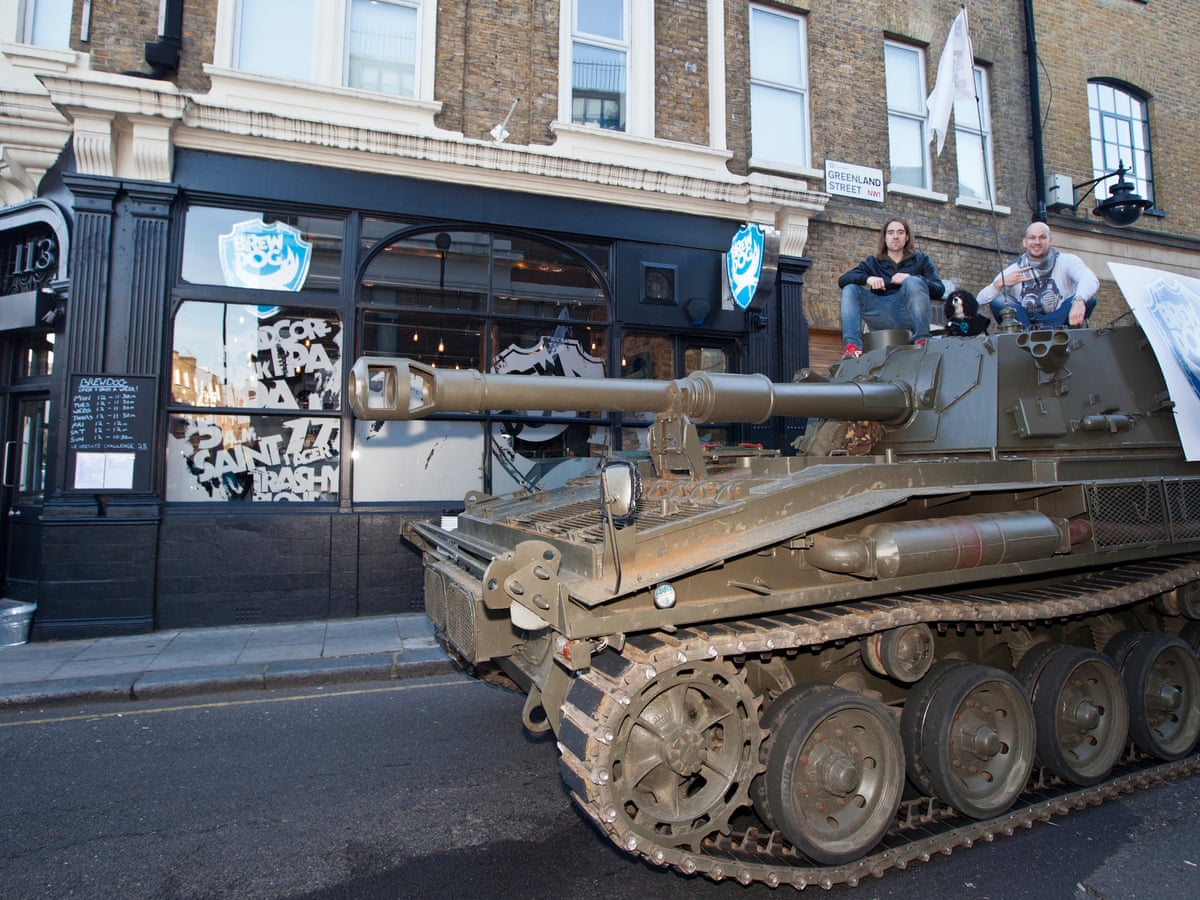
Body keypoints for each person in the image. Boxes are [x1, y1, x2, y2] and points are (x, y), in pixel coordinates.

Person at [838, 217, 944, 358]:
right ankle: (853, 347)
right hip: (881, 312)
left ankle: (922, 339)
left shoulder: (921, 260)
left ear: (906, 237)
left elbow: (939, 289)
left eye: (900, 232)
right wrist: (868, 279)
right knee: (850, 289)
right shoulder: (873, 263)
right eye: (891, 232)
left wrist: (911, 278)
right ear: (885, 238)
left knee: (913, 282)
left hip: (908, 312)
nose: (895, 236)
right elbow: (843, 279)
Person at [978, 222, 1099, 329]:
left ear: (1050, 240)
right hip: (1026, 323)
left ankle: (1050, 330)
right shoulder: (1013, 271)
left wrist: (1079, 300)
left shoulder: (1067, 260)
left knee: (1088, 299)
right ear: (1025, 242)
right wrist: (998, 285)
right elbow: (979, 300)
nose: (1037, 242)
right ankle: (1032, 332)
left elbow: (1090, 279)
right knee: (998, 301)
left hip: (1061, 320)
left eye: (1042, 237)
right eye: (1032, 238)